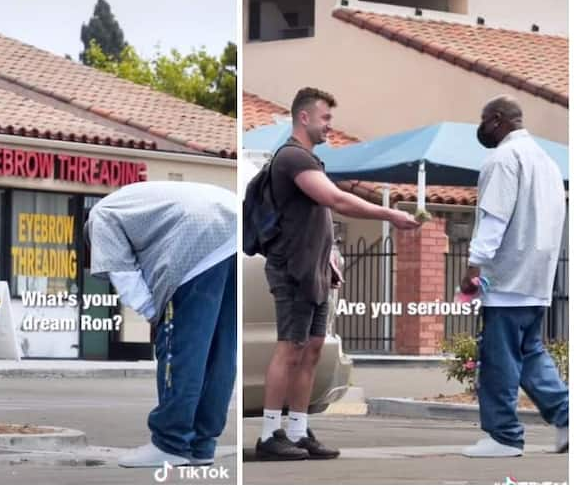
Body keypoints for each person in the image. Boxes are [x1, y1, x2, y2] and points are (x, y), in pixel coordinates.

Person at [255, 87, 420, 461]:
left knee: (311, 349)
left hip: (315, 271)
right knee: (290, 348)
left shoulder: (310, 160)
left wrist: (328, 253)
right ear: (304, 117)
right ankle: (269, 435)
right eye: (325, 118)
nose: (330, 125)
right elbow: (336, 199)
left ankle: (297, 430)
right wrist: (390, 214)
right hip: (293, 271)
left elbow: (320, 216)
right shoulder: (293, 158)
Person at [86, 181, 237, 468]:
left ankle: (171, 443)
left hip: (197, 236)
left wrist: (157, 318)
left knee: (183, 348)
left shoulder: (101, 216)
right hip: (232, 226)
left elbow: (124, 275)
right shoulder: (132, 206)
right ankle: (202, 445)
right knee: (221, 350)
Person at [460, 95, 568, 458]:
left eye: (483, 120)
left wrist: (474, 265)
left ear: (497, 120)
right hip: (537, 279)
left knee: (498, 358)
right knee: (531, 352)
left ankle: (503, 436)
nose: (482, 127)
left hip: (506, 279)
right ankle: (566, 417)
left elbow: (494, 216)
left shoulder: (503, 159)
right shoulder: (547, 162)